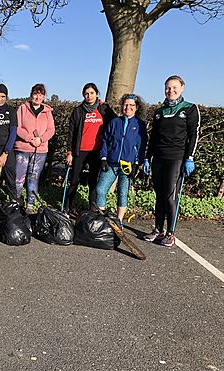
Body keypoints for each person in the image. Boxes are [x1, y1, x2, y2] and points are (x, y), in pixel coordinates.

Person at [143, 75, 200, 247]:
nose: (171, 91)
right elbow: (153, 137)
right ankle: (158, 229)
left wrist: (189, 158)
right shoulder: (160, 112)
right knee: (159, 196)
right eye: (168, 87)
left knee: (170, 196)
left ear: (182, 87)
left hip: (176, 158)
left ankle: (170, 233)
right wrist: (147, 157)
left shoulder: (189, 109)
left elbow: (194, 134)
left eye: (174, 87)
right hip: (159, 158)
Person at [95, 94, 148, 227]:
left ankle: (119, 222)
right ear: (122, 106)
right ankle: (102, 218)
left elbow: (140, 146)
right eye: (125, 104)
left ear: (136, 108)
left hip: (127, 165)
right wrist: (103, 158)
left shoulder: (140, 125)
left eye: (131, 105)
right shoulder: (115, 122)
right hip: (111, 163)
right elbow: (105, 140)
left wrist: (137, 163)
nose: (128, 107)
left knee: (122, 193)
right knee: (100, 190)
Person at [65, 83, 116, 214]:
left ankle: (91, 210)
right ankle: (68, 207)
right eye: (86, 93)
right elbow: (71, 133)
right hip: (80, 150)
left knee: (93, 181)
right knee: (74, 180)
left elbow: (116, 122)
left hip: (97, 151)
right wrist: (69, 152)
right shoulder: (78, 111)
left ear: (97, 94)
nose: (89, 96)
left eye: (91, 93)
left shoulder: (104, 109)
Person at [14, 83, 55, 214]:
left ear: (44, 97)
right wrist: (29, 138)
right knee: (19, 178)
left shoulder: (47, 111)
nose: (38, 97)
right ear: (31, 94)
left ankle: (30, 204)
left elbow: (51, 129)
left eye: (41, 94)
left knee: (33, 178)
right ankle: (16, 202)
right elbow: (17, 127)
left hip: (40, 150)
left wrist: (41, 139)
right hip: (23, 148)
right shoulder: (22, 108)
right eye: (36, 94)